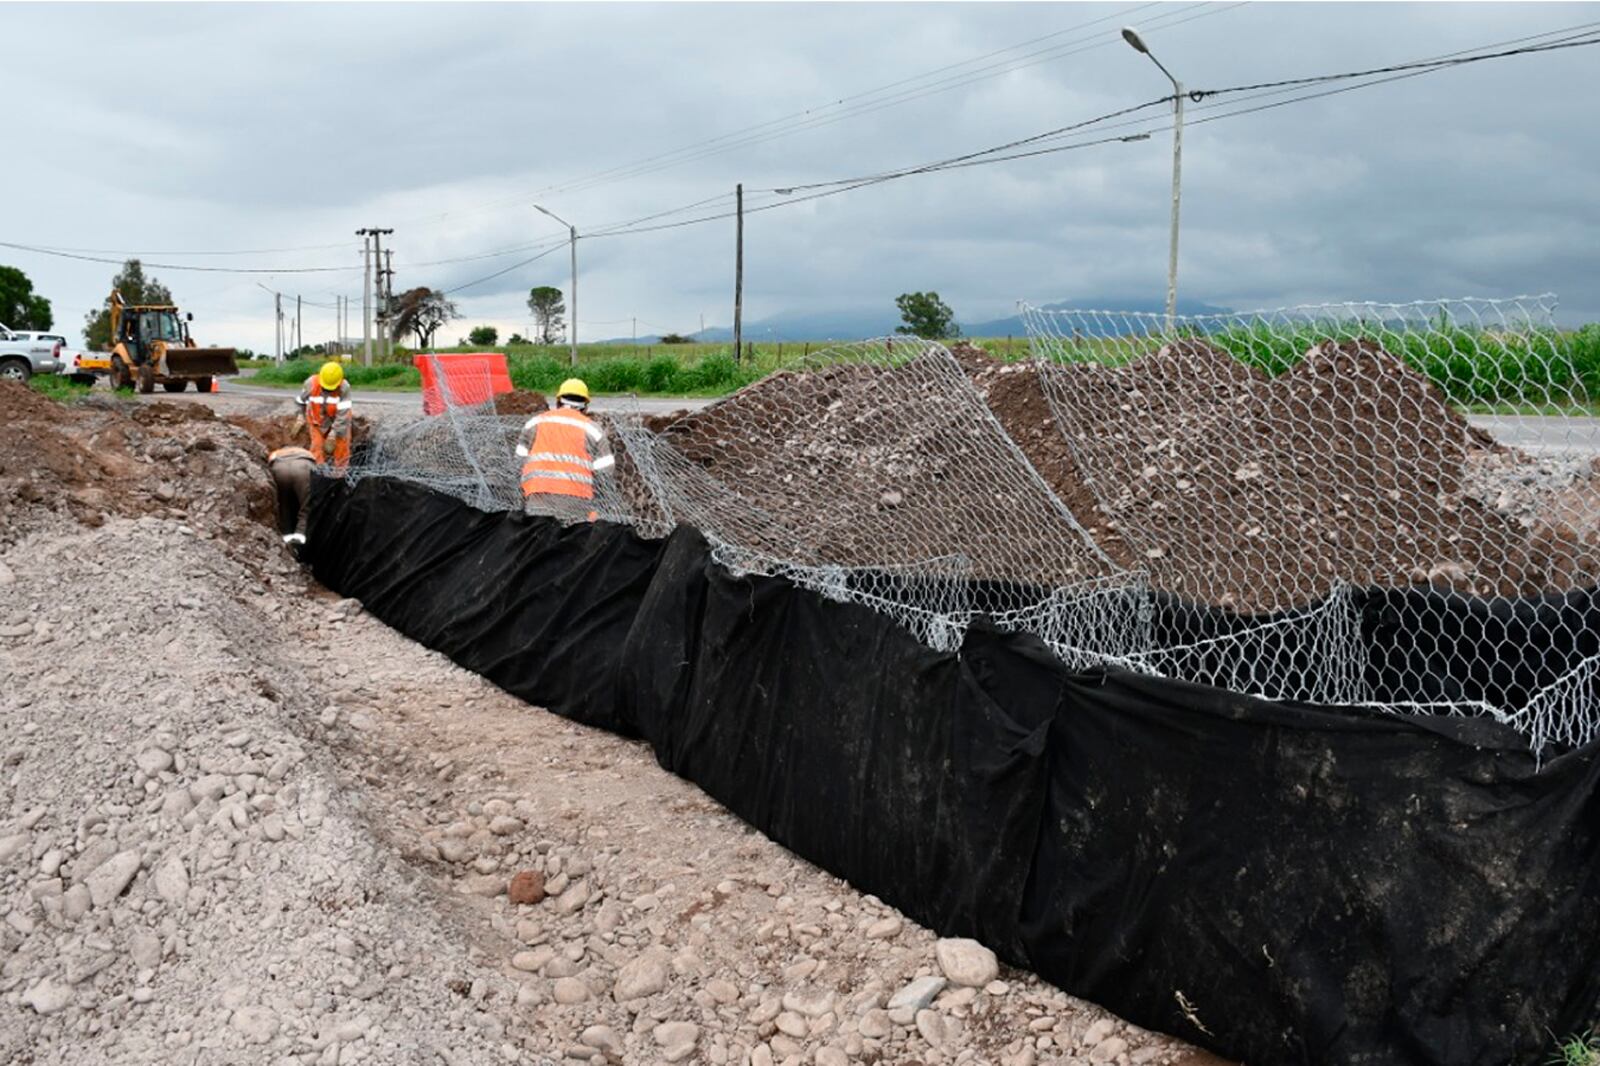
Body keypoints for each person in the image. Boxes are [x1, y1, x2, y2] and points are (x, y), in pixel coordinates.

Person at [515, 377, 613, 521]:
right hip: (577, 504)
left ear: (558, 402)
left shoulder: (534, 423)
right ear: (585, 407)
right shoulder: (593, 431)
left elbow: (518, 463)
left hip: (538, 498)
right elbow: (605, 475)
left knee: (538, 541)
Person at [294, 361, 353, 469]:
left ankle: (340, 473)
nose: (329, 390)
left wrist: (334, 432)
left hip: (338, 422)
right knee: (317, 447)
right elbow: (300, 401)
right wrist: (300, 416)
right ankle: (318, 472)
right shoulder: (310, 384)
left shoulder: (344, 388)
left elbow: (343, 415)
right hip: (317, 422)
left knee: (341, 447)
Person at [267, 446, 316, 553]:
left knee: (283, 505)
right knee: (306, 506)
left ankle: (285, 538)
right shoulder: (305, 452)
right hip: (303, 467)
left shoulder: (276, 452)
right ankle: (300, 537)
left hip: (279, 468)